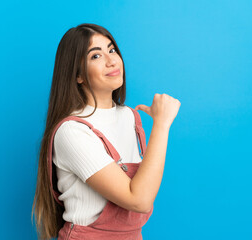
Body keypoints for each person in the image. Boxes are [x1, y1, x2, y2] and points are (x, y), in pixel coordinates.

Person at [32, 23, 181, 240]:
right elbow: (138, 199)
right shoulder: (71, 132)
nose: (111, 60)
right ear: (78, 75)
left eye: (112, 50)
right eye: (95, 56)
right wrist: (162, 123)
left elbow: (144, 187)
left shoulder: (132, 117)